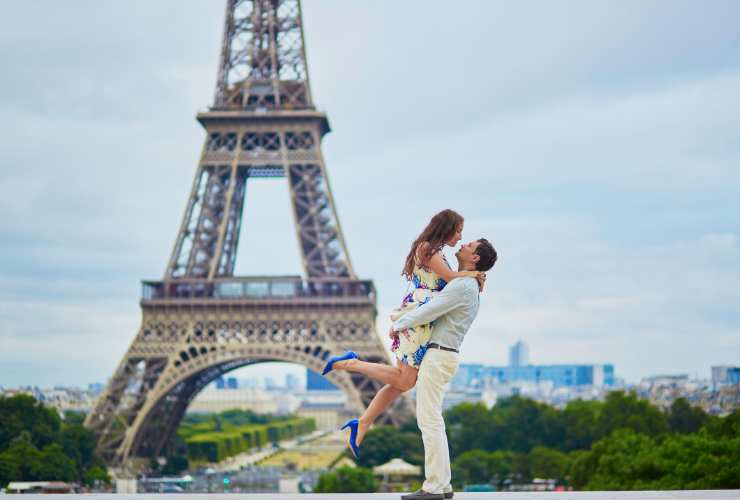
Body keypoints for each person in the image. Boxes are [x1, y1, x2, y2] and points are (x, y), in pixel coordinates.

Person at [321, 209, 485, 457]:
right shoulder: (427, 248)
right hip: (417, 320)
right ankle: (349, 363)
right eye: (459, 230)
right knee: (404, 380)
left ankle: (363, 422)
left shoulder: (434, 250)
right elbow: (451, 279)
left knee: (400, 382)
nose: (461, 237)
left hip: (422, 320)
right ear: (447, 227)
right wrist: (473, 273)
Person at [398, 238, 497, 500]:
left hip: (439, 354)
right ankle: (442, 485)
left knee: (429, 422)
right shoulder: (467, 283)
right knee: (433, 422)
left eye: (470, 245)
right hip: (444, 355)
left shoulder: (464, 285)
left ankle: (434, 486)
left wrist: (397, 324)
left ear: (475, 258)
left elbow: (430, 311)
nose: (463, 244)